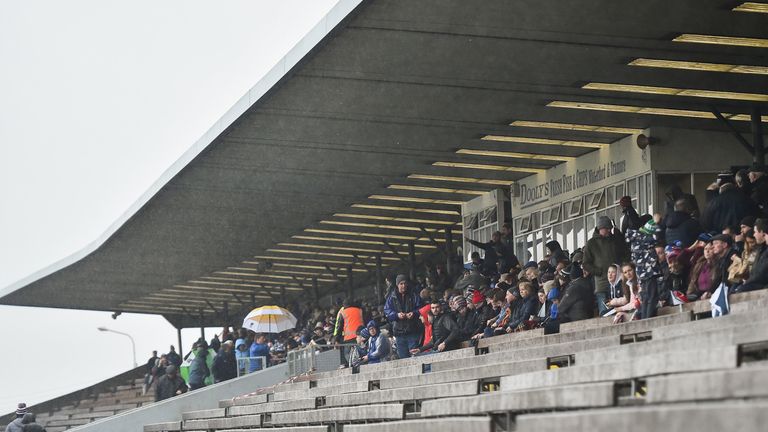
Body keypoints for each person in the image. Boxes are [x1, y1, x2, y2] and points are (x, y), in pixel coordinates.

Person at [583, 216, 630, 311]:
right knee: (604, 313)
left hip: (618, 283)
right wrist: (599, 272)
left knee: (620, 311)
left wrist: (621, 268)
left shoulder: (615, 240)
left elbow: (625, 254)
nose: (609, 230)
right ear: (600, 228)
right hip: (602, 284)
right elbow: (586, 264)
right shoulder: (591, 243)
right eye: (607, 228)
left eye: (610, 228)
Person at [384, 274, 424, 359]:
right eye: (401, 284)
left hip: (413, 330)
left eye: (405, 283)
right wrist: (396, 315)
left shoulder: (413, 295)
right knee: (403, 358)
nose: (404, 286)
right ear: (397, 285)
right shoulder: (391, 297)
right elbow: (387, 312)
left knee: (415, 356)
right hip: (399, 333)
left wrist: (414, 313)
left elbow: (420, 308)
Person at [734, 218, 768, 292]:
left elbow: (761, 274)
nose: (754, 234)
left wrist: (747, 283)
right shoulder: (762, 250)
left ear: (762, 233)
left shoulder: (764, 250)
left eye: (755, 232)